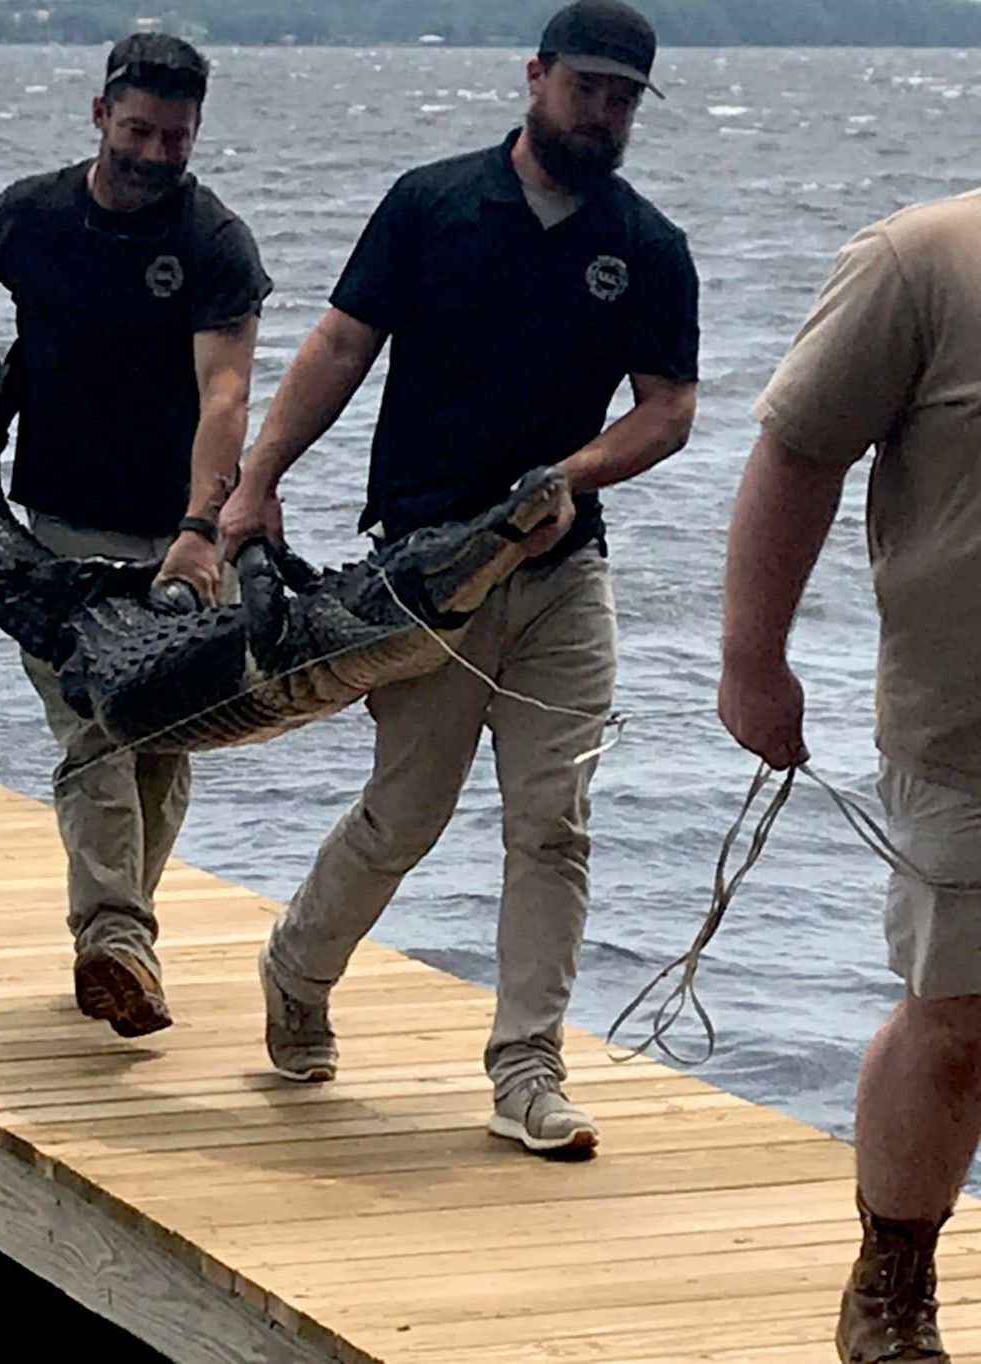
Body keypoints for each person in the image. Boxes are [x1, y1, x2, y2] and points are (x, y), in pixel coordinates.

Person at [220, 0, 698, 1156]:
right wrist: (255, 479)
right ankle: (298, 965)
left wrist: (572, 475)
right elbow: (339, 344)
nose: (602, 111)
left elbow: (670, 411)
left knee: (554, 824)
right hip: (425, 571)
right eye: (585, 86)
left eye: (623, 96)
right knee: (406, 812)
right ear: (534, 77)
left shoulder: (644, 244)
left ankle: (526, 1066)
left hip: (560, 575)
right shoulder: (430, 203)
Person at [0, 34, 272, 1039]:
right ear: (100, 116)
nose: (154, 152)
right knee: (96, 724)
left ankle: (118, 939)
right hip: (52, 528)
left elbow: (225, 392)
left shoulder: (216, 242)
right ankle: (117, 935)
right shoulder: (31, 212)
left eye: (175, 137)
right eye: (138, 130)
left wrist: (198, 529)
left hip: (178, 530)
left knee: (162, 744)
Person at [717, 184, 981, 1360]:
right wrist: (751, 659)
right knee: (960, 1010)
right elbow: (796, 450)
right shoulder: (920, 260)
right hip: (964, 730)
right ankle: (891, 1278)